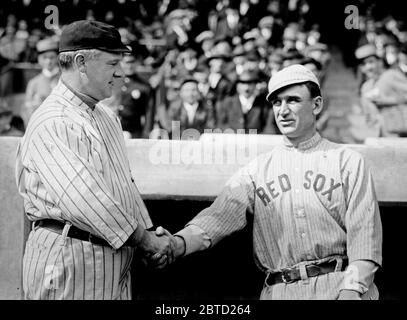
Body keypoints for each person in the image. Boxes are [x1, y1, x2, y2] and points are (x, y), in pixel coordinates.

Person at [159, 64, 382, 300]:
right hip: (280, 290)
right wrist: (177, 244)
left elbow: (364, 238)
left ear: (316, 105)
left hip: (339, 284)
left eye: (293, 100)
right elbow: (217, 218)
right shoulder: (256, 170)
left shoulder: (348, 162)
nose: (283, 111)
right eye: (277, 102)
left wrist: (351, 290)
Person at [15, 20, 175, 300]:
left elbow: (124, 185)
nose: (121, 73)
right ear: (81, 62)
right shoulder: (53, 120)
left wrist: (148, 234)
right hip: (68, 257)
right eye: (112, 63)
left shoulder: (106, 117)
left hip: (111, 259)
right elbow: (85, 199)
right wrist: (146, 240)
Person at [216, 70, 279, 134]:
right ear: (237, 85)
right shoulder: (227, 102)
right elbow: (221, 124)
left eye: (250, 83)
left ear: (255, 85)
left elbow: (269, 127)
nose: (246, 88)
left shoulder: (265, 105)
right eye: (242, 83)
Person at [24, 37, 60, 123]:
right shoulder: (34, 83)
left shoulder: (65, 79)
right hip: (41, 123)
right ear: (39, 59)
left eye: (52, 57)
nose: (48, 61)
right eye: (44, 57)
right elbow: (27, 110)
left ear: (58, 58)